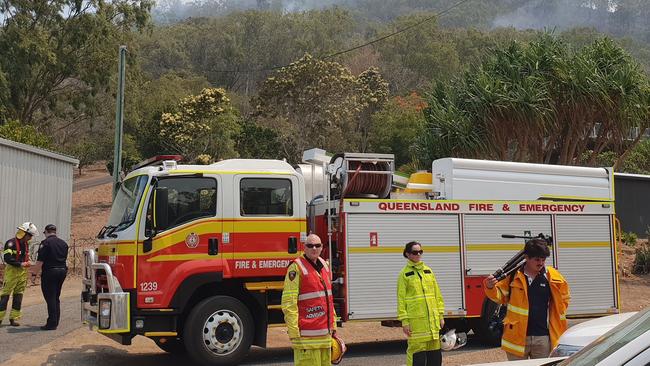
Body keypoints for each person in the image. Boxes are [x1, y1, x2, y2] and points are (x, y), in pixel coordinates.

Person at [484, 238, 571, 360]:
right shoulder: (513, 276)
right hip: (517, 337)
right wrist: (489, 286)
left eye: (543, 259)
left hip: (543, 338)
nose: (541, 263)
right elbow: (499, 296)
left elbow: (564, 299)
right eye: (537, 259)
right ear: (526, 258)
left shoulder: (553, 277)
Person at [281, 234, 337, 366]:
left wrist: (333, 324)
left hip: (325, 337)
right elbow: (289, 302)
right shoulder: (296, 268)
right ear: (304, 248)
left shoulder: (324, 265)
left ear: (322, 247)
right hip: (306, 338)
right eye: (310, 245)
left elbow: (328, 299)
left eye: (317, 245)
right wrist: (294, 330)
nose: (314, 248)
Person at [397, 241, 445, 366]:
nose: (418, 254)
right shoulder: (404, 274)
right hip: (416, 325)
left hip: (432, 324)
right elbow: (401, 300)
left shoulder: (428, 271)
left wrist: (440, 315)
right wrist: (405, 322)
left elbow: (437, 295)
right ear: (407, 254)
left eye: (420, 252)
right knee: (416, 356)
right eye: (415, 252)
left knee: (435, 357)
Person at [1, 222, 38, 326]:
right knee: (5, 296)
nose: (30, 238)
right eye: (29, 235)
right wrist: (21, 263)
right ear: (23, 233)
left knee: (18, 296)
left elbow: (24, 257)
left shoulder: (25, 244)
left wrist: (28, 263)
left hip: (22, 273)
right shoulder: (11, 243)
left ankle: (13, 318)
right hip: (12, 272)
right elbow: (7, 258)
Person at [36, 224, 69, 330]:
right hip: (62, 271)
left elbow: (40, 261)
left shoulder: (45, 243)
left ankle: (51, 323)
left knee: (50, 297)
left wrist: (33, 274)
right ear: (55, 232)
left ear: (46, 232)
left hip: (50, 272)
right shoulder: (63, 243)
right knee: (56, 297)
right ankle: (55, 321)